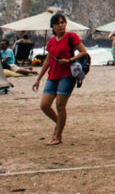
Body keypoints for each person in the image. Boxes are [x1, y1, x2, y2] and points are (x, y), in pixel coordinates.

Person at [32, 13, 88, 145]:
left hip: (67, 75)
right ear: (53, 26)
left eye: (63, 22)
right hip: (53, 75)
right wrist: (38, 78)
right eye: (57, 23)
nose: (61, 25)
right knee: (44, 105)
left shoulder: (71, 37)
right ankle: (59, 123)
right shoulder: (51, 41)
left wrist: (69, 60)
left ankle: (57, 136)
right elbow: (47, 61)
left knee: (60, 105)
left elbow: (83, 52)